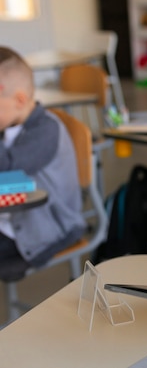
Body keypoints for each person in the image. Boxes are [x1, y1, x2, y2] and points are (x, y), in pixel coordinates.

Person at [0, 47, 86, 281]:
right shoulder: (7, 124)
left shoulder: (46, 130)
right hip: (10, 220)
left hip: (47, 230)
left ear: (19, 99)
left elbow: (8, 167)